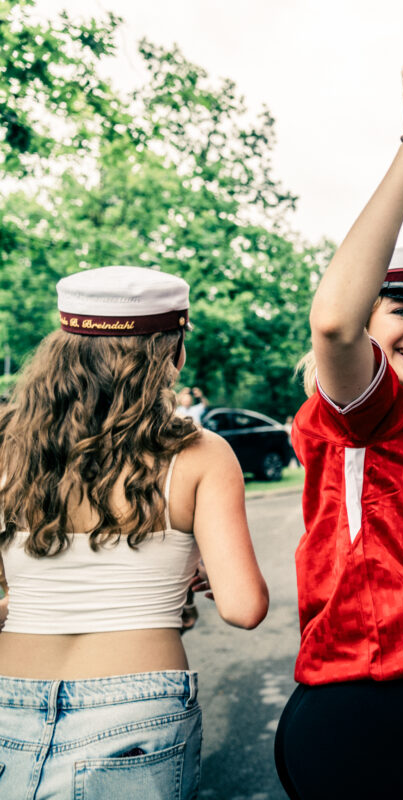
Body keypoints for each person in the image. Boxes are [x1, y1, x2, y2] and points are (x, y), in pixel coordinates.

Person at [273, 66, 403, 800]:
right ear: (372, 320)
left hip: (397, 699)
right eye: (401, 310)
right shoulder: (366, 405)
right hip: (356, 708)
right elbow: (333, 320)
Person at [0, 265, 268, 800]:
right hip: (139, 707)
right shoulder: (200, 455)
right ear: (173, 353)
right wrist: (200, 572)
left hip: (9, 700)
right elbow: (244, 608)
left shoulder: (7, 447)